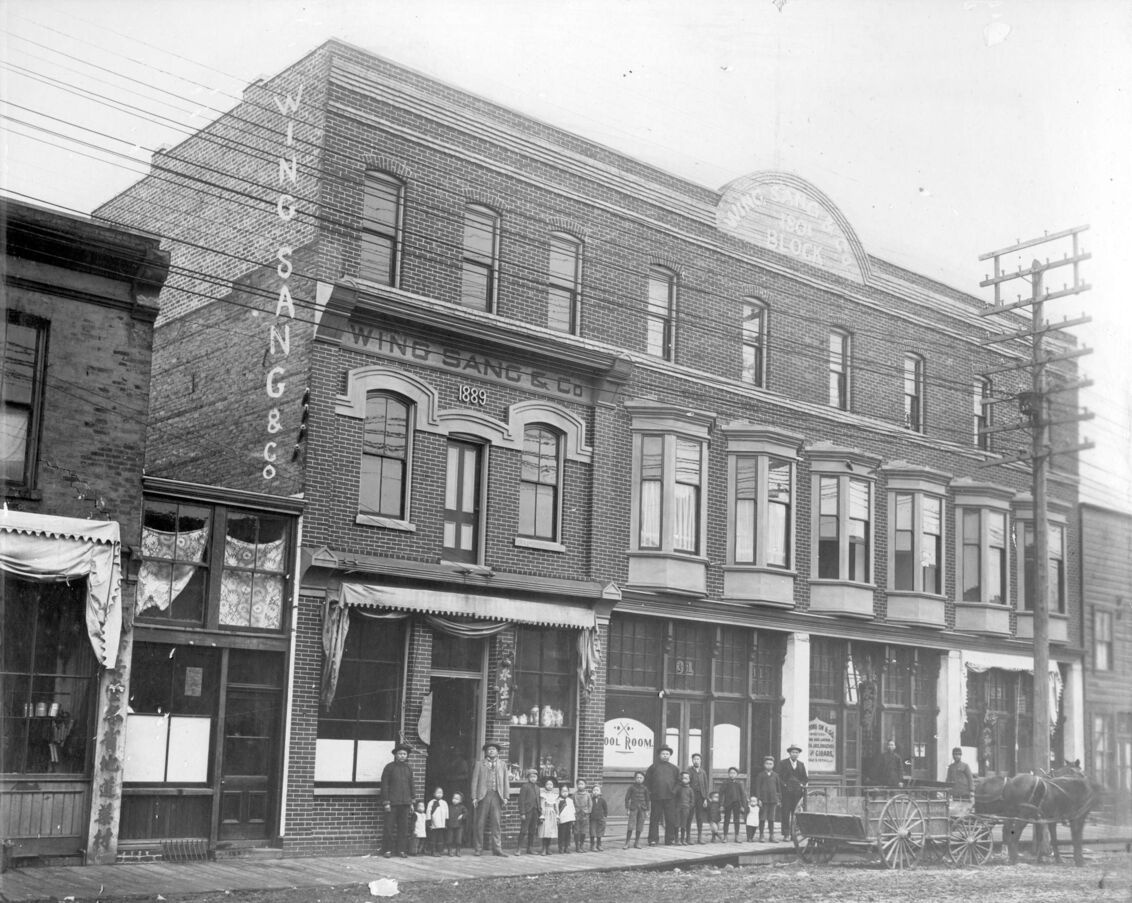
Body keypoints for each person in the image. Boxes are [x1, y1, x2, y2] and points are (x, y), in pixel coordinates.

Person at [470, 740, 512, 856]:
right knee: (480, 823)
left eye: (493, 749)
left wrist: (506, 796)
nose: (491, 751)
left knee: (496, 823)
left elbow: (506, 781)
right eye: (489, 749)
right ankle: (478, 848)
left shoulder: (502, 764)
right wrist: (474, 797)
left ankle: (497, 849)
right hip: (483, 796)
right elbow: (474, 781)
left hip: (497, 796)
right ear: (486, 752)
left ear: (497, 752)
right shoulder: (480, 764)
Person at [380, 742, 414, 858]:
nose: (402, 756)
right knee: (389, 828)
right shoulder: (389, 767)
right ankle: (387, 850)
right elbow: (384, 785)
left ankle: (401, 850)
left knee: (403, 828)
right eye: (400, 753)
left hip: (405, 804)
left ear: (407, 756)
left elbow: (411, 785)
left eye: (404, 754)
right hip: (392, 803)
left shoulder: (409, 768)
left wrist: (412, 801)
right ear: (395, 755)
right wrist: (386, 802)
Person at [644, 745, 680, 845]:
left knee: (670, 819)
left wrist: (674, 791)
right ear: (659, 755)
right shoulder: (653, 767)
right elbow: (647, 782)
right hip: (656, 797)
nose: (665, 755)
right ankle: (653, 839)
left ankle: (670, 839)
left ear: (670, 755)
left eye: (667, 754)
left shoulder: (674, 768)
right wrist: (651, 792)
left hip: (670, 798)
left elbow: (678, 782)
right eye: (663, 754)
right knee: (654, 819)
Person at [776, 744, 809, 840]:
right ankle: (786, 834)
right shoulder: (783, 763)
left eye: (796, 752)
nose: (795, 754)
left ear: (798, 754)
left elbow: (805, 778)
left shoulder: (801, 764)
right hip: (786, 793)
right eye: (793, 752)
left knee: (796, 814)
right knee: (785, 813)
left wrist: (802, 784)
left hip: (797, 793)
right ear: (789, 753)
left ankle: (794, 834)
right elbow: (778, 777)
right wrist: (784, 785)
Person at [753, 756, 782, 842]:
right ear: (764, 764)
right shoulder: (760, 775)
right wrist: (758, 799)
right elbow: (757, 788)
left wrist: (779, 799)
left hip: (773, 800)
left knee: (771, 818)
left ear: (773, 765)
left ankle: (772, 835)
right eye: (767, 763)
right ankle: (761, 835)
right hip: (763, 800)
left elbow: (778, 788)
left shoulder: (776, 775)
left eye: (770, 764)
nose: (768, 765)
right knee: (762, 818)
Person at [720, 766, 748, 842]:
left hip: (737, 803)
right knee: (726, 820)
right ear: (728, 774)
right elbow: (721, 794)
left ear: (737, 774)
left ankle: (737, 836)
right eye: (731, 773)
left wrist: (743, 806)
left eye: (734, 773)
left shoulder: (739, 784)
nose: (732, 774)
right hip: (727, 803)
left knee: (737, 820)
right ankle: (725, 836)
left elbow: (742, 795)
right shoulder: (725, 783)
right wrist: (721, 805)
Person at [516, 768, 541, 853]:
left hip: (535, 811)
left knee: (532, 830)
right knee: (523, 830)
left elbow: (538, 800)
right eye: (531, 777)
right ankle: (519, 848)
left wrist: (539, 811)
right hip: (527, 811)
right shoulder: (525, 787)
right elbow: (521, 800)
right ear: (528, 778)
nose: (533, 778)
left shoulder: (537, 788)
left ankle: (530, 848)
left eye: (535, 777)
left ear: (537, 778)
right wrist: (522, 813)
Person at [688, 752, 711, 843]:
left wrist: (705, 798)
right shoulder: (689, 771)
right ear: (692, 760)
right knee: (689, 817)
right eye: (694, 759)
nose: (696, 761)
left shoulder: (703, 772)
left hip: (700, 797)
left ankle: (699, 837)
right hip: (691, 797)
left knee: (700, 817)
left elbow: (706, 786)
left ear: (700, 761)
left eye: (698, 759)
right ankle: (688, 837)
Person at [623, 770, 650, 849]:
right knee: (630, 825)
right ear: (635, 778)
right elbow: (627, 798)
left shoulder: (645, 788)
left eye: (641, 778)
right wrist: (627, 808)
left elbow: (647, 800)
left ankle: (637, 842)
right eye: (637, 777)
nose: (639, 779)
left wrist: (647, 810)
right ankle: (627, 842)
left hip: (642, 809)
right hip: (633, 808)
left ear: (643, 779)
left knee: (640, 826)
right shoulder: (631, 788)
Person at [538, 778, 559, 855]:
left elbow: (556, 806)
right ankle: (543, 848)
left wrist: (557, 815)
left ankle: (548, 848)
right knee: (545, 831)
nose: (549, 786)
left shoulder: (554, 795)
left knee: (550, 831)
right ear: (545, 785)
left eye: (551, 784)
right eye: (547, 784)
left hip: (552, 814)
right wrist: (542, 815)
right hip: (546, 813)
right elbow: (542, 805)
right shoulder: (543, 795)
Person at [426, 786, 448, 856]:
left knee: (440, 838)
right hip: (434, 824)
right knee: (433, 837)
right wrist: (429, 822)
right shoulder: (431, 802)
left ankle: (439, 850)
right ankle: (433, 850)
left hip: (441, 824)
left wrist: (446, 822)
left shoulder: (444, 803)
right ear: (434, 794)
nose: (439, 794)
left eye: (441, 793)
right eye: (438, 792)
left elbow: (446, 813)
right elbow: (428, 812)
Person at [573, 778, 593, 852]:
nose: (580, 786)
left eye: (582, 784)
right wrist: (574, 812)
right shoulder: (574, 794)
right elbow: (572, 804)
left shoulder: (587, 795)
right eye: (579, 784)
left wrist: (587, 812)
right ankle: (577, 846)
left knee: (583, 831)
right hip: (577, 814)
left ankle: (581, 845)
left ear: (585, 785)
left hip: (585, 815)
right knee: (576, 831)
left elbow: (590, 805)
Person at [675, 771, 695, 844]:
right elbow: (674, 797)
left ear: (689, 780)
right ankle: (676, 839)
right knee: (677, 823)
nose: (685, 779)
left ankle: (683, 839)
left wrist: (689, 806)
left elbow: (692, 800)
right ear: (681, 779)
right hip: (678, 808)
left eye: (687, 778)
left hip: (686, 808)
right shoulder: (678, 788)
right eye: (683, 778)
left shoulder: (690, 789)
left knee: (684, 824)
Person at [556, 783, 576, 853]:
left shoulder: (570, 800)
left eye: (566, 791)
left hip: (569, 819)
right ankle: (561, 847)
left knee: (568, 834)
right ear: (560, 792)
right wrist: (557, 817)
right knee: (561, 834)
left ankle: (566, 847)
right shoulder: (558, 800)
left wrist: (573, 819)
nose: (565, 793)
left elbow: (573, 810)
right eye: (563, 791)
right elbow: (556, 810)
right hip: (562, 820)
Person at [446, 792, 467, 856]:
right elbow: (446, 815)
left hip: (459, 826)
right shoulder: (449, 807)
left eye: (457, 799)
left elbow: (466, 813)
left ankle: (458, 850)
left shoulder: (462, 807)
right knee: (449, 839)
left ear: (460, 801)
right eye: (454, 798)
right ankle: (450, 850)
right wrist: (446, 823)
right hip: (450, 825)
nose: (454, 800)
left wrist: (462, 815)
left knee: (458, 839)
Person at [589, 783, 608, 851]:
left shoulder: (602, 800)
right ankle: (592, 845)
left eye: (597, 790)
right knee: (592, 832)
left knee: (599, 832)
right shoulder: (590, 800)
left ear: (600, 792)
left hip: (600, 818)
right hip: (593, 819)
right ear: (592, 792)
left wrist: (604, 816)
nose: (595, 792)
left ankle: (599, 845)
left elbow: (605, 809)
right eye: (594, 790)